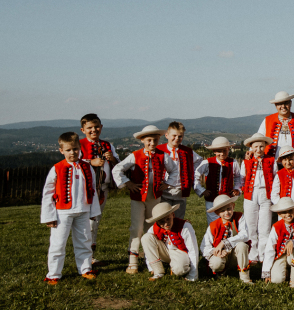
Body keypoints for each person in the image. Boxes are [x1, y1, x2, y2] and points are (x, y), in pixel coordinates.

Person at [112, 125, 179, 274]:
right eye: (149, 140)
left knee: (153, 227)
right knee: (136, 228)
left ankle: (152, 260)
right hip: (138, 197)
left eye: (155, 140)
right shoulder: (135, 155)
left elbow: (174, 169)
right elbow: (117, 169)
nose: (152, 143)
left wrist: (167, 183)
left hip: (154, 197)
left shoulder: (163, 155)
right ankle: (133, 261)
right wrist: (128, 183)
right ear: (142, 140)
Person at [41, 132, 101, 284]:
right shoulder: (57, 168)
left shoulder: (87, 167)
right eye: (68, 150)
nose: (72, 152)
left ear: (79, 148)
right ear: (61, 150)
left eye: (75, 149)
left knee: (84, 241)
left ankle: (85, 269)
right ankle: (54, 273)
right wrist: (49, 216)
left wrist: (93, 211)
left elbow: (93, 190)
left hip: (83, 211)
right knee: (58, 243)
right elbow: (48, 193)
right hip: (62, 212)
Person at [78, 113, 119, 262]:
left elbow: (118, 163)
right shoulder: (79, 145)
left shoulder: (107, 145)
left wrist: (112, 159)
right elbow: (74, 162)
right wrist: (90, 162)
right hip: (87, 189)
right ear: (83, 130)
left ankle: (91, 254)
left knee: (95, 221)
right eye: (89, 128)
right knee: (88, 221)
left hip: (103, 188)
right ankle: (85, 255)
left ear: (101, 127)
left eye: (96, 127)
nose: (93, 130)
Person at [240, 133, 277, 263]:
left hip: (266, 194)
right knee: (251, 224)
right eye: (256, 147)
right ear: (251, 147)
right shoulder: (247, 161)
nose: (258, 149)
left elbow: (275, 177)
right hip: (251, 194)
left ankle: (263, 254)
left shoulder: (271, 161)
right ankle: (252, 254)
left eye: (261, 146)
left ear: (265, 147)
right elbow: (242, 177)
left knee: (265, 225)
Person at [141, 202, 200, 282]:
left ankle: (178, 266)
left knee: (180, 270)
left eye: (168, 219)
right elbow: (148, 247)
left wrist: (193, 274)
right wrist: (151, 267)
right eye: (161, 222)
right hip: (164, 252)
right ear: (157, 222)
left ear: (173, 215)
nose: (166, 224)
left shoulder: (185, 226)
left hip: (180, 252)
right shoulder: (153, 229)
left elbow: (193, 250)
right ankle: (158, 272)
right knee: (146, 237)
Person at [200, 195, 252, 283]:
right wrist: (216, 252)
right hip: (221, 255)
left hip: (235, 254)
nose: (226, 212)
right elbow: (204, 247)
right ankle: (221, 272)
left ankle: (245, 277)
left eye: (229, 209)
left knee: (242, 245)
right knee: (216, 263)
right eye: (222, 211)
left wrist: (224, 242)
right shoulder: (213, 226)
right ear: (217, 213)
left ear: (233, 206)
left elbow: (245, 235)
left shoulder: (239, 217)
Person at [158, 121, 203, 218]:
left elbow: (199, 161)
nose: (177, 138)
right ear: (167, 135)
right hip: (164, 191)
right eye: (174, 135)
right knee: (164, 217)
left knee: (178, 217)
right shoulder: (159, 150)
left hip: (180, 191)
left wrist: (191, 172)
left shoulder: (187, 151)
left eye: (180, 136)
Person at [194, 136, 242, 224]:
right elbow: (195, 175)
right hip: (211, 199)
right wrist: (202, 190)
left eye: (225, 150)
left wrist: (237, 189)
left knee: (227, 222)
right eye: (219, 151)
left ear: (228, 149)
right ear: (214, 151)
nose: (222, 153)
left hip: (227, 199)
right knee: (213, 223)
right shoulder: (207, 162)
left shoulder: (233, 162)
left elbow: (238, 177)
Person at [263, 197, 294, 288]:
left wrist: (293, 242)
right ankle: (286, 271)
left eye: (290, 210)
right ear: (279, 213)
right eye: (284, 212)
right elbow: (269, 249)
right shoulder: (276, 226)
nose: (287, 214)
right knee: (277, 280)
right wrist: (266, 272)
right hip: (281, 254)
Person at [256, 91, 294, 158]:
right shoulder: (267, 120)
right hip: (272, 165)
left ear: (290, 103)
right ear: (276, 106)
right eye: (280, 104)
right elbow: (257, 140)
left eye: (286, 103)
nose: (283, 106)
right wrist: (251, 152)